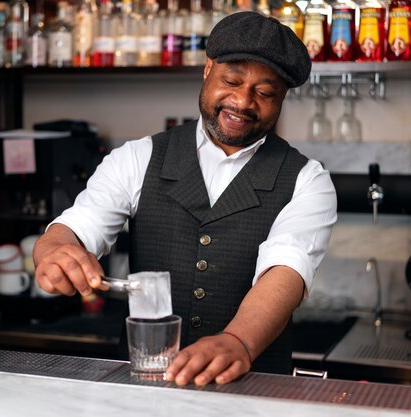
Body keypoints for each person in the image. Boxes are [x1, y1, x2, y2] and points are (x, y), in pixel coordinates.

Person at [33, 11, 337, 386]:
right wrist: (54, 250)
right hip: (143, 387)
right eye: (232, 80)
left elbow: (285, 271)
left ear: (282, 98)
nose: (242, 101)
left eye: (265, 92)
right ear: (207, 69)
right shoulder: (138, 157)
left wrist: (237, 341)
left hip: (253, 390)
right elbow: (78, 226)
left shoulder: (308, 180)